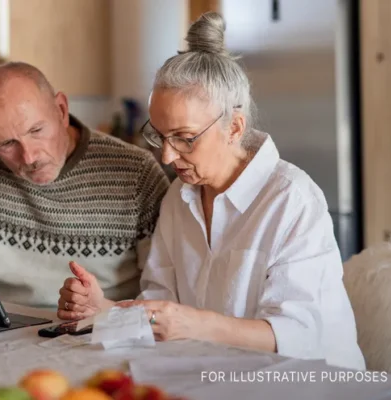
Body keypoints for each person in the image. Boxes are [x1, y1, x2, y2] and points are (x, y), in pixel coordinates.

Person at [56, 12, 366, 370]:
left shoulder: (291, 199)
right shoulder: (179, 197)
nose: (168, 156)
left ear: (234, 127)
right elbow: (161, 309)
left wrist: (193, 324)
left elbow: (298, 335)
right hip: (218, 376)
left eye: (185, 139)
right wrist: (104, 309)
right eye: (158, 135)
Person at [0, 61, 170, 309]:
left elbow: (165, 297)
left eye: (36, 130)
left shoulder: (137, 172)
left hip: (105, 331)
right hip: (6, 334)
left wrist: (105, 309)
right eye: (7, 143)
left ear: (62, 110)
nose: (29, 157)